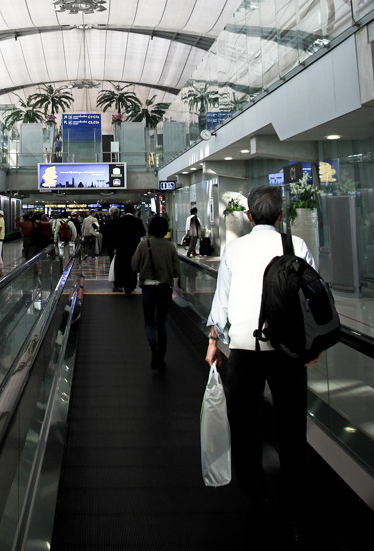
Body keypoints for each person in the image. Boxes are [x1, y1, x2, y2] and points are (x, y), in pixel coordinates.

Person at [205, 186, 317, 516]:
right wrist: (312, 344)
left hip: (243, 348)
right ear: (282, 216)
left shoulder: (235, 249)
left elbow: (221, 300)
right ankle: (293, 496)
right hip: (288, 350)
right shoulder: (295, 245)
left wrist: (213, 341)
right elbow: (311, 296)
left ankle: (255, 491)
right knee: (292, 425)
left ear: (249, 216)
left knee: (243, 422)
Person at [131, 215, 181, 370]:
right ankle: (161, 355)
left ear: (150, 228)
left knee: (149, 322)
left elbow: (134, 266)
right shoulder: (170, 246)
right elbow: (176, 272)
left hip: (148, 288)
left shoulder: (143, 245)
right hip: (165, 289)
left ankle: (154, 346)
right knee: (162, 322)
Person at [113, 209, 146, 294]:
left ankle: (125, 284)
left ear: (124, 212)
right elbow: (143, 233)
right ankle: (132, 284)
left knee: (124, 266)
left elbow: (116, 234)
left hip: (122, 248)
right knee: (133, 266)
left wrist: (116, 247)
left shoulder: (120, 221)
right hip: (134, 247)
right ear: (134, 212)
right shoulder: (138, 221)